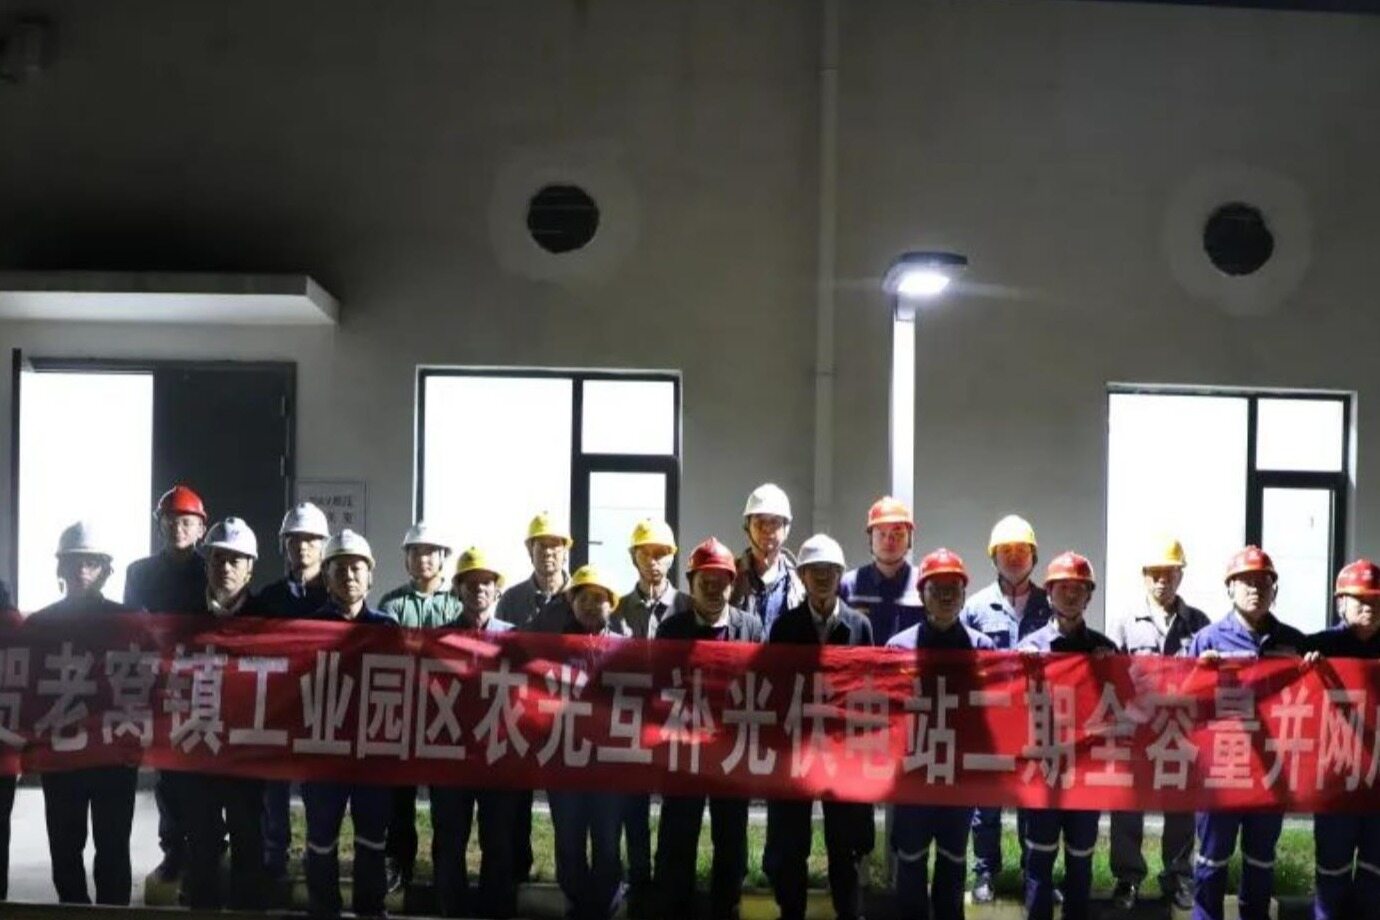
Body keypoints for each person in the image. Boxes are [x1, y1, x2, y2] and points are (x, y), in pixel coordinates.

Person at [1188, 546, 1305, 920]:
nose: (1255, 589)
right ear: (1230, 588)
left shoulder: (1293, 642)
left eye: (1263, 582)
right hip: (1220, 772)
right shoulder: (1207, 640)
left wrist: (1314, 667)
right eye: (1246, 582)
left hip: (1270, 772)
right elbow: (1180, 702)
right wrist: (1198, 674)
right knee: (1211, 862)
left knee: (1260, 862)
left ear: (1274, 590)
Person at [764, 534, 874, 920]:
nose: (823, 577)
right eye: (815, 571)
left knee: (845, 843)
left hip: (843, 752)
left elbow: (870, 688)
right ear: (802, 576)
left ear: (841, 575)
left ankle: (849, 912)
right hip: (797, 749)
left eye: (830, 570)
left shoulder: (860, 626)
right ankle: (790, 912)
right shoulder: (784, 627)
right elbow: (774, 687)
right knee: (791, 840)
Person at [29, 522, 139, 905]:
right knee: (65, 849)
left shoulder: (131, 623)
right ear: (60, 567)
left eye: (91, 562)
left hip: (114, 754)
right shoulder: (38, 626)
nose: (81, 570)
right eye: (74, 561)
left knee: (113, 849)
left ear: (107, 570)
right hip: (62, 756)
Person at [656, 537, 764, 920]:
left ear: (733, 585)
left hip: (731, 753)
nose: (715, 590)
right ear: (691, 584)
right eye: (706, 582)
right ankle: (674, 910)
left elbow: (763, 687)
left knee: (731, 840)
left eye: (722, 582)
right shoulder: (671, 631)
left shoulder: (751, 628)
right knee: (677, 838)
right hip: (685, 753)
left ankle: (726, 908)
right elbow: (658, 690)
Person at [886, 548, 995, 920]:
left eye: (954, 589)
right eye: (937, 589)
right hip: (912, 775)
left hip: (957, 777)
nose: (946, 596)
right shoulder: (898, 649)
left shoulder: (983, 649)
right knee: (910, 862)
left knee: (953, 861)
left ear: (964, 595)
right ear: (922, 594)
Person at [300, 530, 399, 919]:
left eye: (357, 568)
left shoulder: (388, 629)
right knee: (321, 837)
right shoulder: (306, 630)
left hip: (373, 752)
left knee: (372, 836)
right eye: (339, 569)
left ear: (370, 575)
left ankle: (370, 907)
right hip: (323, 752)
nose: (349, 576)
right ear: (326, 577)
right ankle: (323, 907)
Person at [1108, 536, 1208, 912]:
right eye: (1155, 573)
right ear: (1144, 576)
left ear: (1181, 575)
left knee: (1181, 807)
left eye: (1170, 573)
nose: (1162, 580)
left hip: (1180, 732)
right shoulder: (1124, 623)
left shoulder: (1198, 623)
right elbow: (1109, 678)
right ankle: (1127, 878)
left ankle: (1178, 876)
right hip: (1135, 733)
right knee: (1127, 806)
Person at [1016, 551, 1117, 920]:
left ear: (1089, 596)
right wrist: (1019, 670)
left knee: (1081, 860)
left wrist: (1112, 672)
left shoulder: (1106, 650)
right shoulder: (1029, 649)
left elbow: (1125, 709)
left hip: (1086, 774)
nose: (1071, 596)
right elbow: (1009, 710)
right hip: (1042, 773)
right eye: (1063, 588)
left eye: (1079, 589)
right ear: (1048, 593)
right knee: (1038, 860)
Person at [959, 513, 1052, 903]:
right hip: (991, 721)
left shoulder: (1052, 604)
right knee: (986, 804)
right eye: (1006, 550)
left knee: (1034, 801)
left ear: (1034, 556)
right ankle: (985, 873)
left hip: (1037, 720)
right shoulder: (975, 607)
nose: (1014, 557)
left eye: (1021, 550)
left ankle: (1036, 875)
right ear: (993, 556)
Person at [532, 565, 631, 920]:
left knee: (607, 841)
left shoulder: (626, 649)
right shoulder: (551, 649)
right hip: (565, 763)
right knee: (569, 839)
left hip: (610, 766)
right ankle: (576, 904)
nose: (590, 605)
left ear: (612, 604)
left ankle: (604, 907)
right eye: (583, 597)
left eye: (599, 598)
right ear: (571, 602)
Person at [124, 484, 210, 885]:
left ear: (201, 529)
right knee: (169, 774)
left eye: (187, 522)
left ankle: (207, 848)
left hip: (205, 686)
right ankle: (174, 850)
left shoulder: (213, 569)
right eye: (172, 521)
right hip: (160, 685)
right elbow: (131, 626)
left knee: (205, 772)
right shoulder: (140, 573)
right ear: (160, 525)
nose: (179, 528)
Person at [183, 517, 270, 909]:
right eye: (218, 558)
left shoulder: (269, 618)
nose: (227, 567)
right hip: (199, 746)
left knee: (248, 836)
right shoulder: (184, 617)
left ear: (250, 568)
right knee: (201, 839)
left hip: (247, 751)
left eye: (236, 560)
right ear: (207, 564)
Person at [429, 547, 518, 918]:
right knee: (449, 839)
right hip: (451, 756)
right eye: (471, 583)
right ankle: (451, 909)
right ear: (458, 589)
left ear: (497, 590)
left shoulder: (515, 639)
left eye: (486, 583)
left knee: (498, 840)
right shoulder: (438, 639)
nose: (479, 589)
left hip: (497, 755)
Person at [612, 518, 690, 916]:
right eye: (647, 553)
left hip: (677, 723)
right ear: (634, 558)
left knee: (677, 809)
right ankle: (639, 882)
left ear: (672, 558)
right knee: (633, 807)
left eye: (661, 554)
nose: (654, 561)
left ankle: (671, 883)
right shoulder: (618, 609)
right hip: (632, 723)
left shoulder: (687, 607)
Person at [254, 501, 331, 884]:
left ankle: (318, 860)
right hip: (277, 707)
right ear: (283, 544)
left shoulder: (336, 597)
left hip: (322, 708)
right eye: (295, 539)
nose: (303, 546)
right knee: (273, 790)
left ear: (323, 545)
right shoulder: (268, 598)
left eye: (311, 539)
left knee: (319, 790)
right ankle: (274, 861)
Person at [495, 510, 573, 883]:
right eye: (541, 547)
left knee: (566, 804)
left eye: (556, 546)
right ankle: (517, 871)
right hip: (521, 713)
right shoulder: (511, 600)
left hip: (567, 715)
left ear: (566, 551)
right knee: (516, 799)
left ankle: (567, 874)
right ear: (530, 551)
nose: (549, 553)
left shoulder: (579, 597)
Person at [380, 520, 457, 894]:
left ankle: (445, 870)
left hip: (447, 717)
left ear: (443, 558)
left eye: (430, 552)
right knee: (399, 801)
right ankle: (400, 865)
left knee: (447, 802)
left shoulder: (457, 603)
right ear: (406, 558)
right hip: (402, 715)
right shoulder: (391, 604)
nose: (423, 559)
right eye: (415, 552)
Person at [1305, 559, 1380, 920]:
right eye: (1360, 599)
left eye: (1376, 600)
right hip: (1336, 780)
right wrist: (1306, 669)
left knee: (1374, 873)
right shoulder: (1319, 647)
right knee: (1331, 871)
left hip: (1378, 783)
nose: (1369, 607)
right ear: (1341, 603)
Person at [840, 496, 923, 644]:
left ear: (909, 538)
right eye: (881, 534)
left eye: (897, 534)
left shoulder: (923, 583)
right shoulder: (848, 584)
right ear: (870, 538)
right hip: (863, 660)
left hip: (909, 660)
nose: (889, 540)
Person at [730, 483, 803, 635]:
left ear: (786, 528)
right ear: (747, 527)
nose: (767, 529)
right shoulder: (730, 577)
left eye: (774, 522)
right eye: (759, 522)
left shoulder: (800, 582)